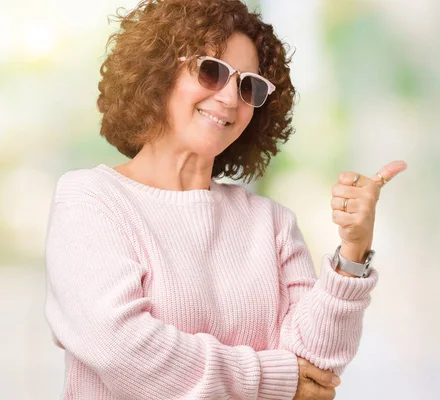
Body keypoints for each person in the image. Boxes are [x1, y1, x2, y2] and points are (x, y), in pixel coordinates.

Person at [44, 0, 407, 399]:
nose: (230, 99)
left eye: (249, 85)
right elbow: (120, 347)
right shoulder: (91, 200)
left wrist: (353, 253)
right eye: (211, 71)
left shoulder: (270, 223)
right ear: (157, 72)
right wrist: (271, 380)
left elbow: (316, 375)